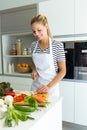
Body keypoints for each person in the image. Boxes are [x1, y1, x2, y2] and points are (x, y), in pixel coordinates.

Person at [30, 14, 66, 96]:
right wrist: (34, 70)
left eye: (39, 30)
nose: (36, 34)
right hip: (36, 87)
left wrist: (48, 87)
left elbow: (63, 71)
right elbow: (33, 62)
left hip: (51, 89)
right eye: (34, 31)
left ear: (46, 26)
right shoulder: (33, 45)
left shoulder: (57, 45)